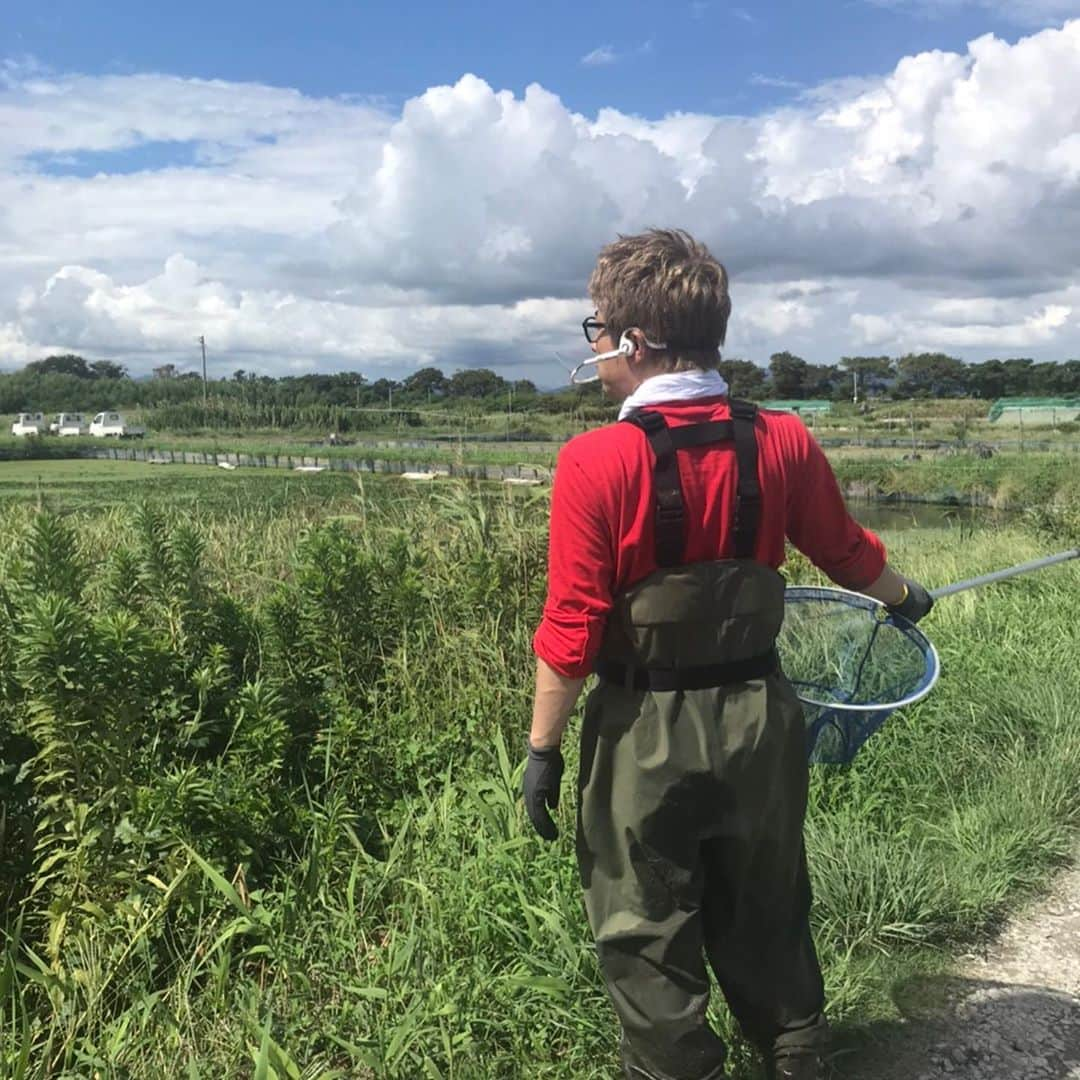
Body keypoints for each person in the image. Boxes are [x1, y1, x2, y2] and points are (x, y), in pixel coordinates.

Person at [522, 229, 933, 1080]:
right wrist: (905, 596)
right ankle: (796, 1054)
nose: (593, 345)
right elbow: (846, 551)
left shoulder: (595, 461)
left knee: (643, 922)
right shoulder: (780, 440)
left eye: (595, 327)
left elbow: (571, 626)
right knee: (767, 894)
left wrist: (542, 751)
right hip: (759, 717)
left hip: (642, 728)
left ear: (635, 343)